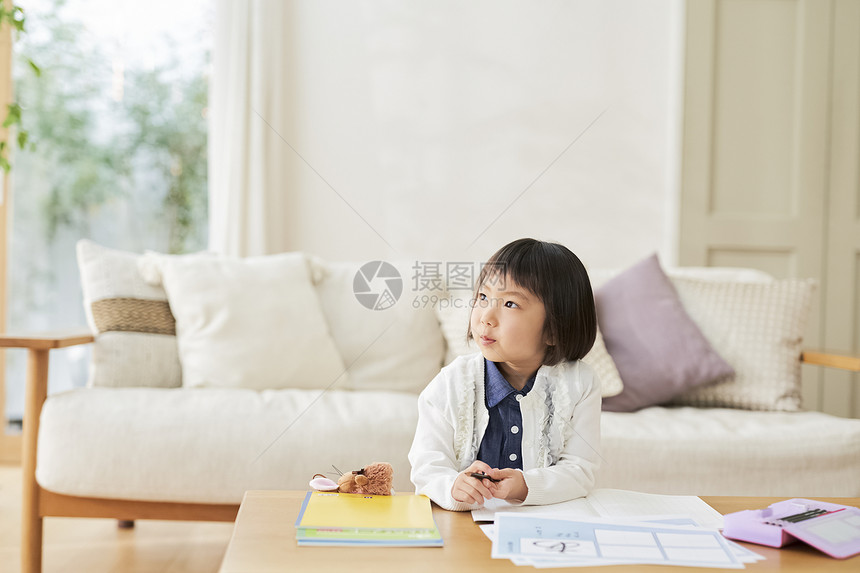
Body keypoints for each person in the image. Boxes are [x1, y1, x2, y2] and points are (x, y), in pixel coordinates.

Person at [408, 238, 601, 511]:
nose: (486, 316)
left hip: (544, 528)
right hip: (466, 531)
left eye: (510, 304)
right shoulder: (450, 384)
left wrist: (526, 485)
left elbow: (581, 470)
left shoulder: (580, 383)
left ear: (554, 329)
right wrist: (453, 486)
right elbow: (426, 468)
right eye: (483, 297)